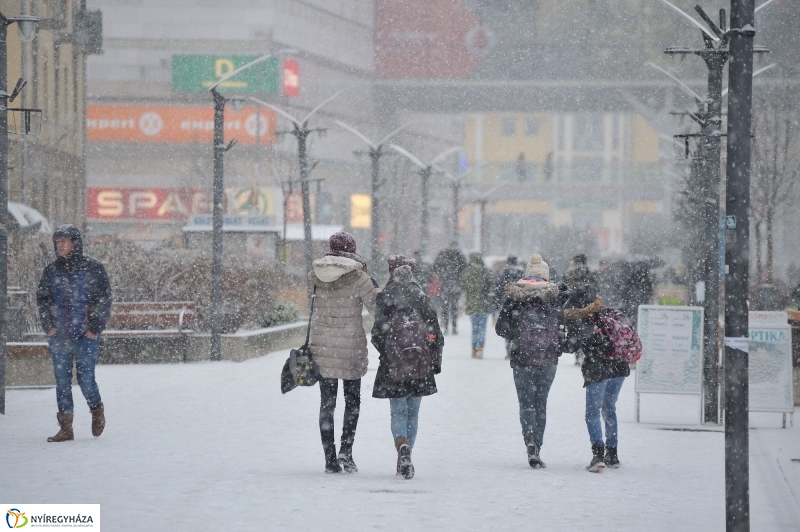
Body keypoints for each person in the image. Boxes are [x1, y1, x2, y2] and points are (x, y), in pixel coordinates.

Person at [308, 231, 379, 474]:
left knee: (327, 404)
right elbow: (376, 310)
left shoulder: (318, 274)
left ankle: (329, 459)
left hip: (323, 345)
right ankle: (346, 453)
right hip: (350, 346)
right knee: (352, 402)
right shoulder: (359, 277)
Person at [36, 224, 112, 443]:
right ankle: (65, 428)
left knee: (86, 379)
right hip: (59, 336)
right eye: (57, 241)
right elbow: (43, 299)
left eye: (64, 241)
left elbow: (103, 299)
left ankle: (96, 410)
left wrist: (94, 329)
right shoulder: (52, 270)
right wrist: (48, 325)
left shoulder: (92, 267)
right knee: (62, 382)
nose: (59, 245)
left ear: (75, 243)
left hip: (85, 335)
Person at [371, 255, 443, 479]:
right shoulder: (421, 297)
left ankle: (401, 446)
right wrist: (434, 361)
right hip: (420, 365)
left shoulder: (385, 296)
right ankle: (407, 452)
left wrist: (389, 354)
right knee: (413, 413)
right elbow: (435, 334)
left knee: (398, 412)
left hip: (394, 366)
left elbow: (376, 334)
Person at [495, 254, 562, 468]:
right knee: (541, 403)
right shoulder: (555, 297)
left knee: (526, 404)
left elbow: (500, 329)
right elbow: (563, 328)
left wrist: (517, 334)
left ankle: (529, 442)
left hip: (522, 358)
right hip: (548, 359)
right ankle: (538, 447)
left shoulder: (515, 296)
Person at [563, 285, 627, 473]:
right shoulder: (610, 314)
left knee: (592, 412)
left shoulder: (582, 321)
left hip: (597, 369)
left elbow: (570, 347)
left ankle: (598, 455)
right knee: (609, 408)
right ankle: (612, 454)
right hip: (619, 367)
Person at [461, 252, 495, 359]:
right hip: (484, 303)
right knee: (482, 328)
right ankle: (481, 345)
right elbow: (492, 283)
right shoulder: (485, 271)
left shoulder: (468, 271)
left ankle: (474, 348)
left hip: (472, 304)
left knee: (475, 328)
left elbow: (463, 285)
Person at [432, 242, 467, 335]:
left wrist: (442, 275)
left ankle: (446, 326)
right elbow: (464, 268)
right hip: (455, 285)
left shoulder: (442, 255)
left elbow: (435, 267)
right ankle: (454, 327)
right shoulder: (459, 255)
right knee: (454, 306)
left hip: (444, 284)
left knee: (445, 306)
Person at [494, 255, 525, 359]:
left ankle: (508, 349)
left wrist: (499, 301)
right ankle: (517, 348)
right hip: (520, 305)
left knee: (508, 326)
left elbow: (498, 288)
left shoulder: (504, 273)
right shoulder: (521, 273)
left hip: (507, 304)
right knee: (519, 326)